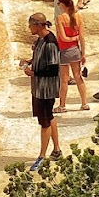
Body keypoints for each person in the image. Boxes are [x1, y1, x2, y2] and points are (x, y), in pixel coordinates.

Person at [21, 12, 62, 170]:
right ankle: (56, 149)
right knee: (49, 116)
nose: (29, 28)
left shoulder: (50, 42)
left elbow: (52, 68)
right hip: (39, 88)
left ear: (38, 25)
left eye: (31, 25)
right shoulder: (40, 40)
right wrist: (30, 61)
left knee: (44, 122)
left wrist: (34, 73)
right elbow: (41, 59)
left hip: (46, 89)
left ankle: (42, 156)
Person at [54, 0, 89, 112]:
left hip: (64, 51)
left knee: (64, 80)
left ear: (63, 4)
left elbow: (63, 38)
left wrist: (72, 38)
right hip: (75, 50)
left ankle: (62, 106)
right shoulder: (78, 16)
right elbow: (82, 37)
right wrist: (83, 53)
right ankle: (84, 103)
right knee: (78, 77)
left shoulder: (60, 18)